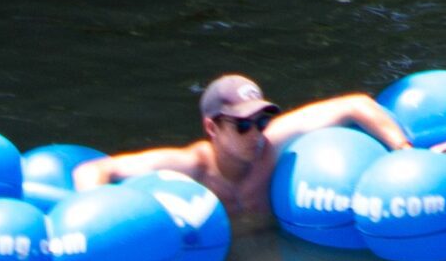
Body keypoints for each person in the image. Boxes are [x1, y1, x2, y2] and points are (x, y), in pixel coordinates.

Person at [74, 71, 414, 233]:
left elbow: (354, 105)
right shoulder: (192, 166)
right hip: (214, 258)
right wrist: (103, 218)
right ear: (212, 128)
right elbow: (91, 171)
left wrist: (404, 151)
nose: (256, 133)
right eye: (242, 125)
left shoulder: (271, 145)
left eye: (262, 120)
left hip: (275, 247)